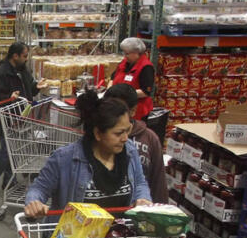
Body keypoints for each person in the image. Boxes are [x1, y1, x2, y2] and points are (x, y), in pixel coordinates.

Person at [23, 90, 151, 218]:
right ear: (97, 133)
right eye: (118, 133)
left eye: (127, 130)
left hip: (118, 235)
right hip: (75, 237)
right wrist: (34, 203)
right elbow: (39, 188)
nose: (125, 138)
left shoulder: (129, 151)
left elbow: (140, 183)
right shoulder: (64, 159)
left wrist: (143, 198)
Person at [0, 42, 47, 191]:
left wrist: (35, 87)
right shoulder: (1, 73)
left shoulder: (23, 71)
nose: (26, 59)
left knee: (15, 152)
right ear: (15, 56)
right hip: (7, 119)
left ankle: (9, 181)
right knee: (7, 151)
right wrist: (9, 97)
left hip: (23, 117)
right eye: (24, 56)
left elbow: (28, 90)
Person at [103, 82, 168, 203]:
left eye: (120, 110)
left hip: (137, 208)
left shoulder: (149, 139)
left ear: (133, 111)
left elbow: (157, 179)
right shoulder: (101, 138)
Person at [106, 37, 155, 122]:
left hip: (136, 110)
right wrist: (110, 89)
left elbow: (145, 92)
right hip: (119, 106)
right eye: (124, 53)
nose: (125, 56)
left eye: (127, 53)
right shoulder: (125, 62)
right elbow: (113, 77)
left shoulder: (146, 67)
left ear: (137, 53)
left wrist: (122, 94)